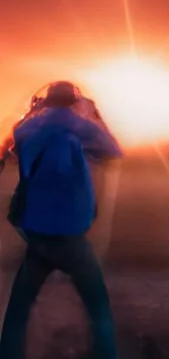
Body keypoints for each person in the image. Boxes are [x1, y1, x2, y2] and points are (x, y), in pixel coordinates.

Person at [0, 81, 123, 359]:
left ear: (46, 100)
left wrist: (36, 110)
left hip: (37, 233)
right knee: (98, 307)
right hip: (71, 237)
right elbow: (112, 151)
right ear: (72, 100)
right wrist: (94, 114)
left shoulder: (27, 128)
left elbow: (18, 148)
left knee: (19, 309)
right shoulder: (82, 127)